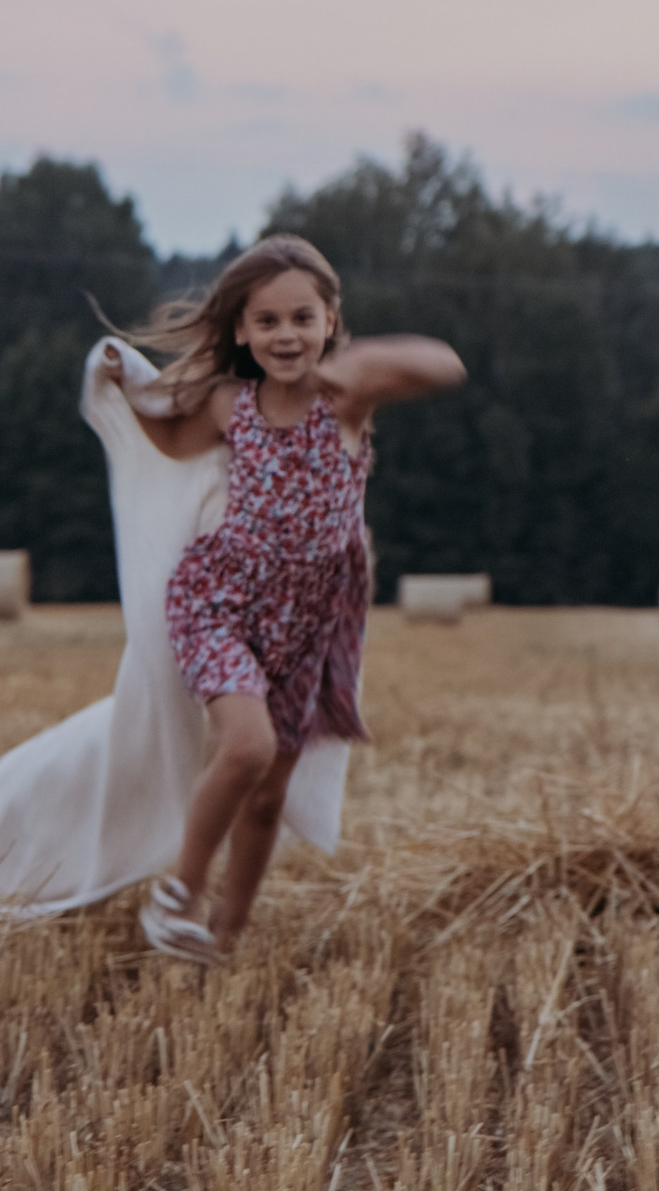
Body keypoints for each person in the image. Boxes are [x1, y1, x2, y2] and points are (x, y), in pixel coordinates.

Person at [101, 235, 465, 959]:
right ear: (240, 330)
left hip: (308, 625)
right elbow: (167, 444)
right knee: (246, 746)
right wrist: (120, 383)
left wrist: (358, 365)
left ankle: (227, 936)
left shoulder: (348, 400)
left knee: (268, 794)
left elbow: (446, 364)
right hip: (221, 602)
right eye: (266, 321)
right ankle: (180, 896)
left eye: (303, 318)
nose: (285, 334)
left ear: (330, 321)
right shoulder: (228, 405)